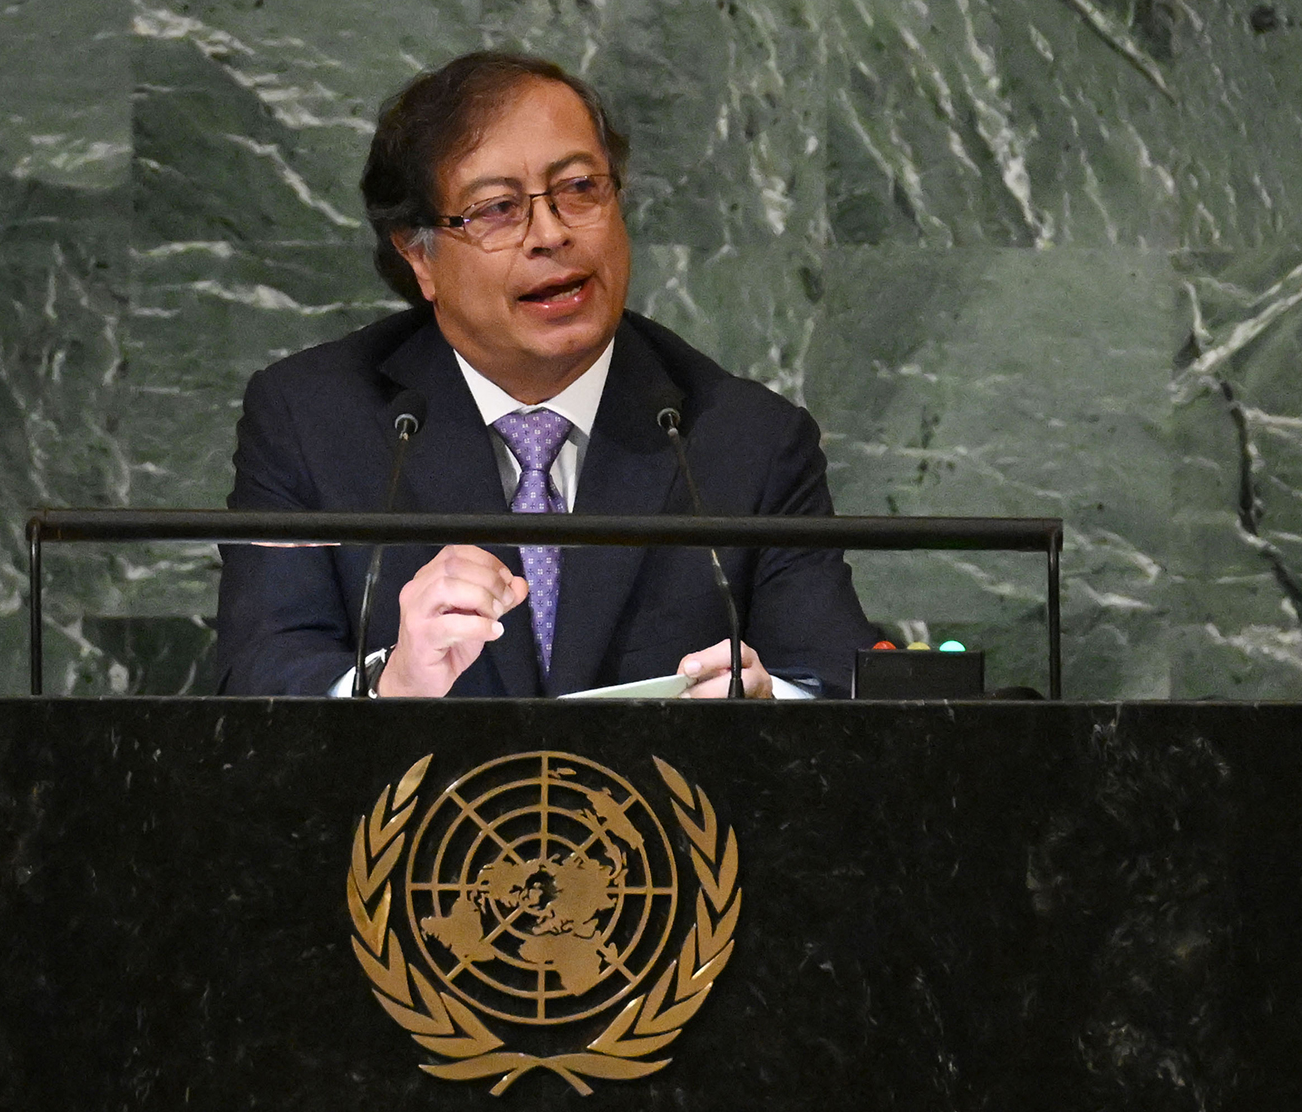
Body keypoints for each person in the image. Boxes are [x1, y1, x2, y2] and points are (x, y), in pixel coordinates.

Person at [215, 51, 875, 699]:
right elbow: (258, 678)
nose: (550, 233)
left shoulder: (747, 440)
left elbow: (836, 688)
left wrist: (765, 705)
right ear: (420, 257)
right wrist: (392, 685)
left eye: (580, 188)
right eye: (499, 208)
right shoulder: (312, 420)